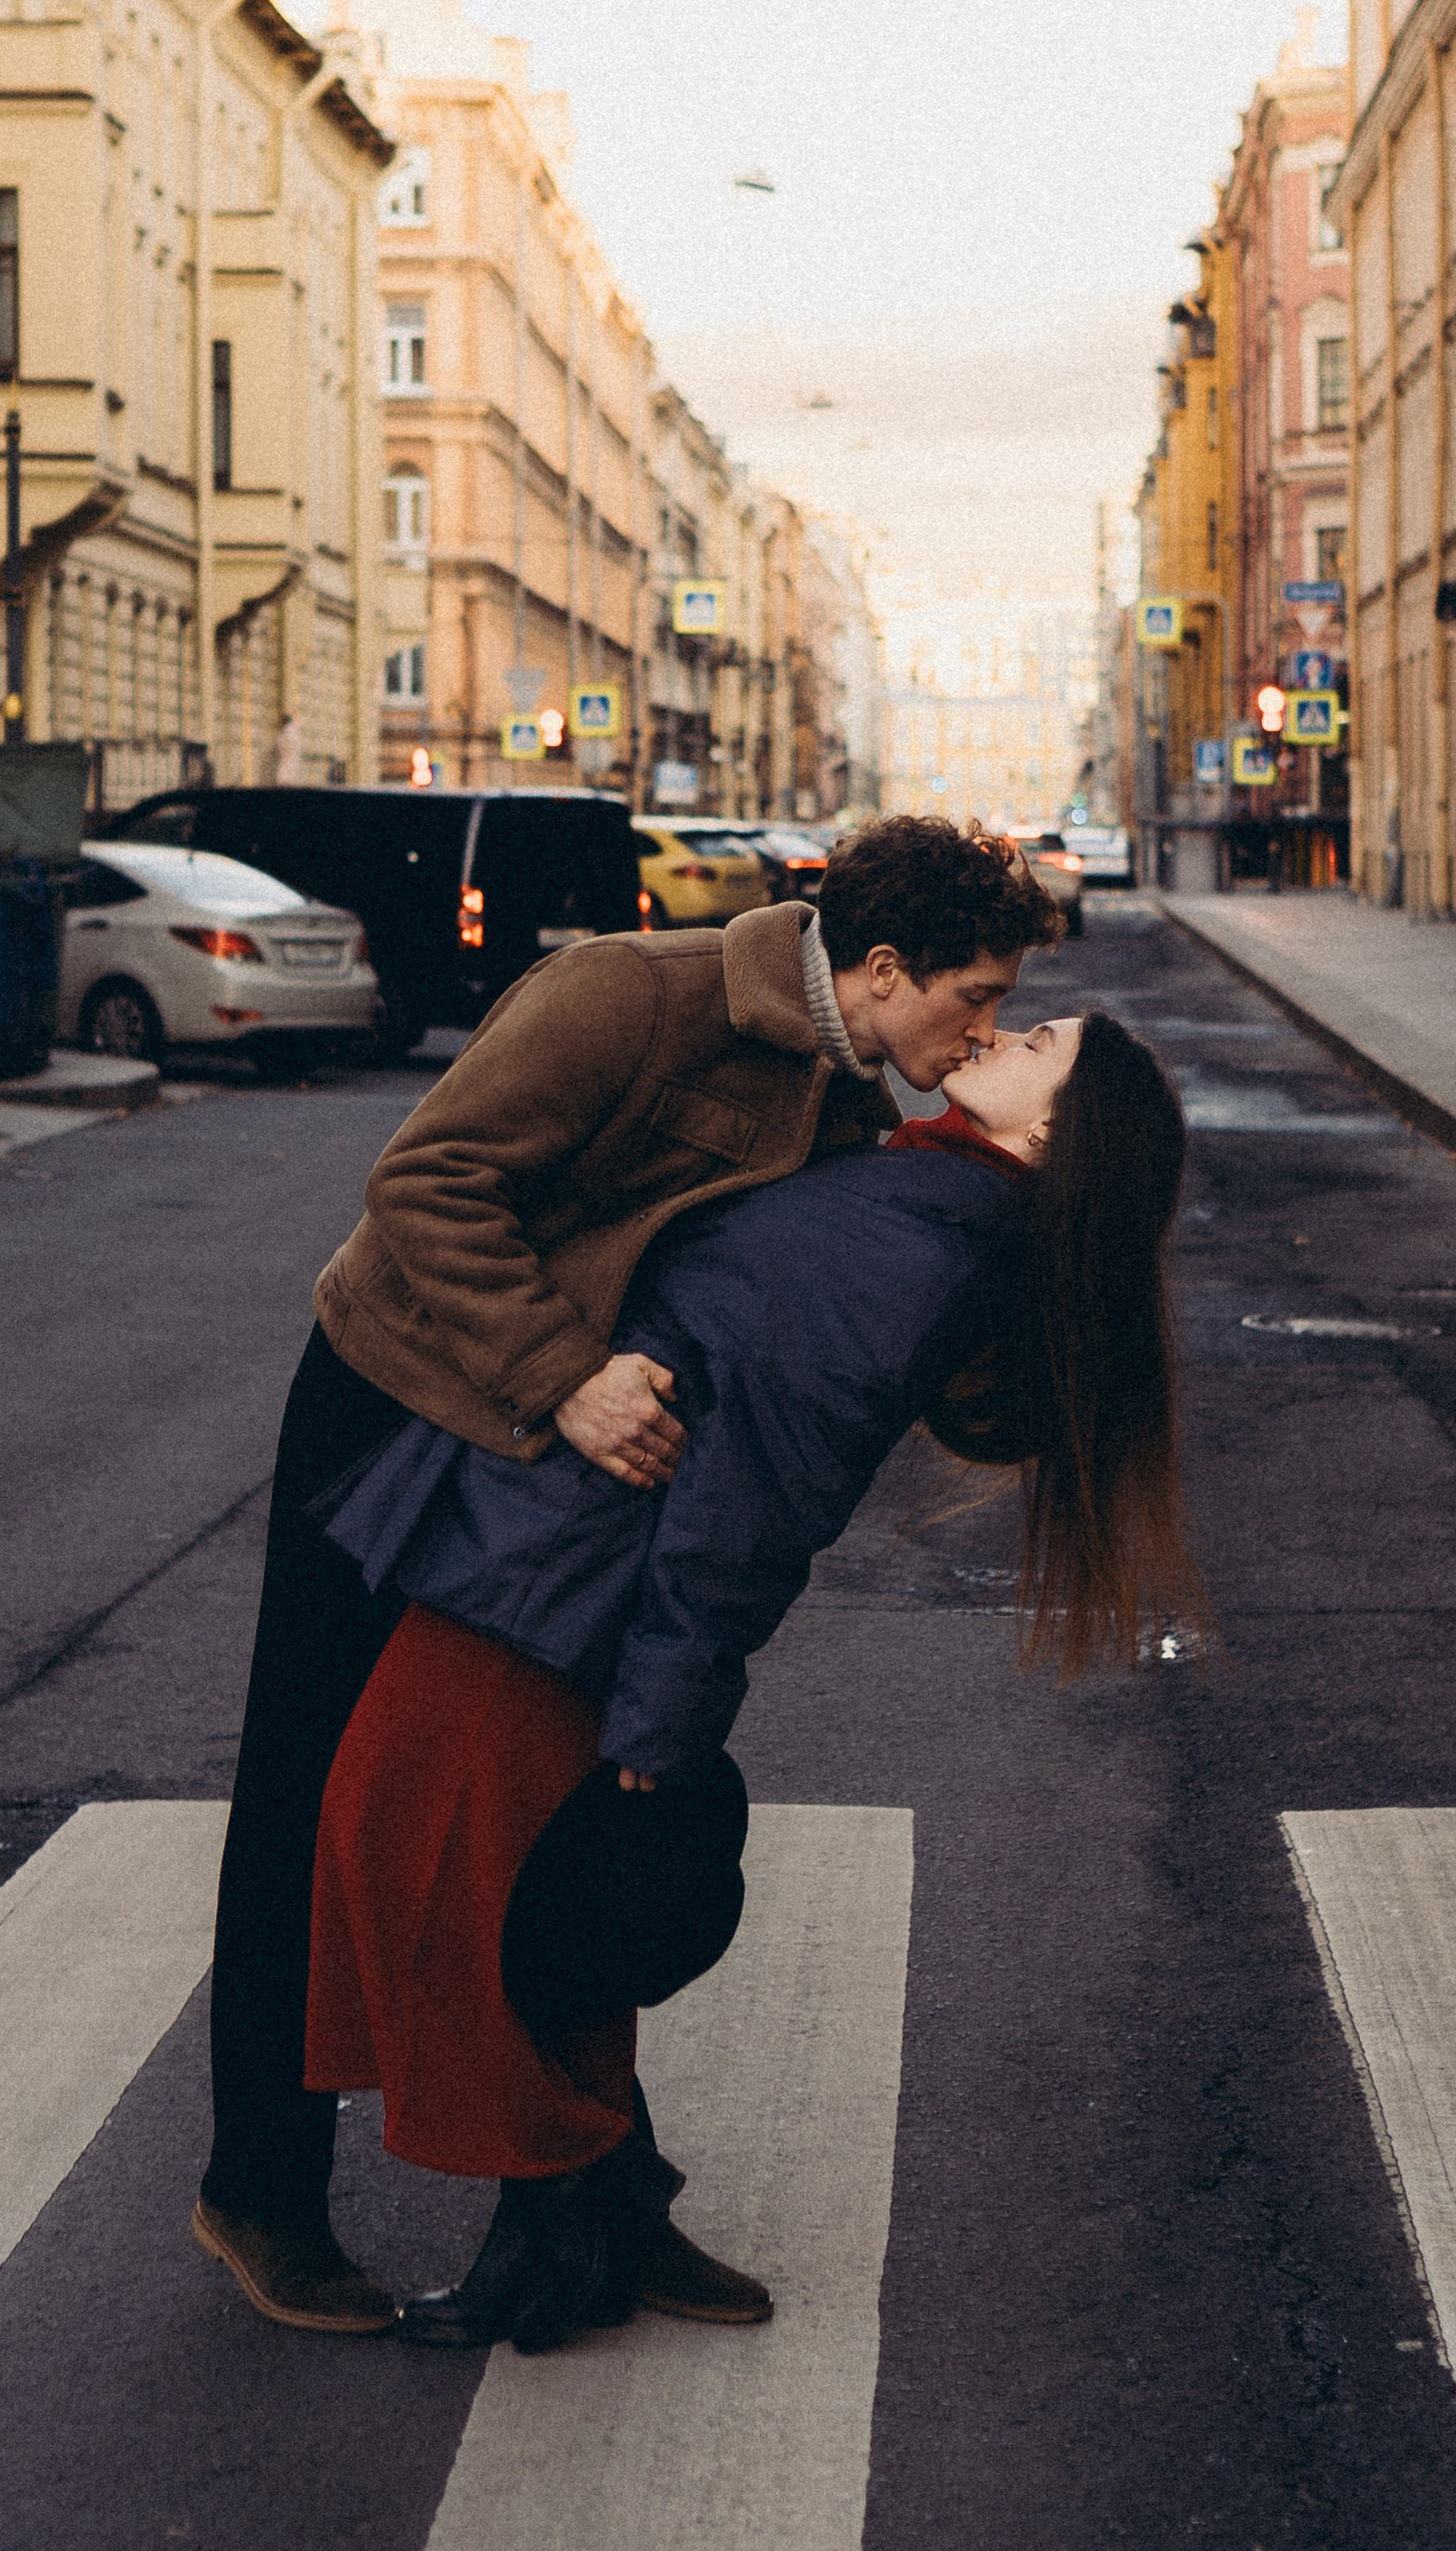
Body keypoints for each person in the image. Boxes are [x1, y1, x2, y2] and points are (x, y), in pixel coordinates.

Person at [192, 816, 1063, 2335]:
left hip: (545, 1472)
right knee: (306, 1798)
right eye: (971, 996)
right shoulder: (630, 995)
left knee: (553, 1828)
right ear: (878, 969)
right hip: (397, 1398)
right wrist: (569, 1376)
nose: (981, 1028)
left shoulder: (848, 1096)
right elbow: (427, 1185)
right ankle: (258, 2194)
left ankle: (602, 2197)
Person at [300, 1008, 1197, 2353]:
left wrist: (664, 1708)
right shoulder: (930, 1191)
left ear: (1052, 1129)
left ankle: (553, 2223)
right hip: (550, 1553)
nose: (1006, 1025)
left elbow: (755, 1498)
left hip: (564, 1580)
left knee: (417, 1869)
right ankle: (603, 2204)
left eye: (1040, 1039)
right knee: (499, 1886)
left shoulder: (918, 1245)